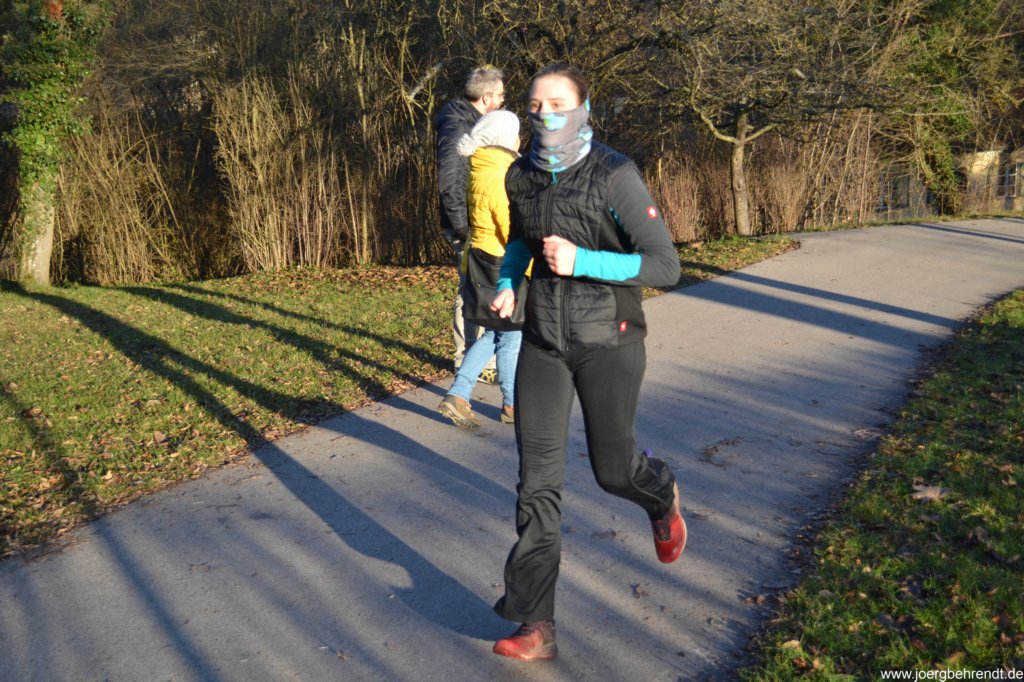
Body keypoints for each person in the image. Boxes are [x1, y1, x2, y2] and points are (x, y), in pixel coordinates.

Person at [488, 63, 687, 661]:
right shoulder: (521, 175)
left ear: (583, 108)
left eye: (557, 104)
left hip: (610, 341)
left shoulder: (614, 173)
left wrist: (585, 261)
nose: (545, 114)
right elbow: (520, 241)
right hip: (544, 343)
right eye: (535, 105)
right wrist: (508, 281)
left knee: (613, 472)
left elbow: (665, 265)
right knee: (536, 484)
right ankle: (535, 624)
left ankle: (660, 495)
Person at [437, 110, 527, 430]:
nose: (520, 139)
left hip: (484, 259)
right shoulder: (500, 173)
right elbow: (511, 228)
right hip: (504, 262)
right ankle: (512, 405)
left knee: (495, 332)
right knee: (511, 335)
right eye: (516, 133)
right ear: (504, 138)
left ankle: (459, 394)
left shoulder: (483, 166)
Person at [434, 65, 505, 381]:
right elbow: (449, 183)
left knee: (479, 287)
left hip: (477, 222)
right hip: (467, 226)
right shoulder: (457, 127)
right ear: (486, 97)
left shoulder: (472, 123)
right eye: (500, 95)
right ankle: (468, 362)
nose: (502, 101)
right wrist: (462, 228)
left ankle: (478, 360)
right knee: (471, 289)